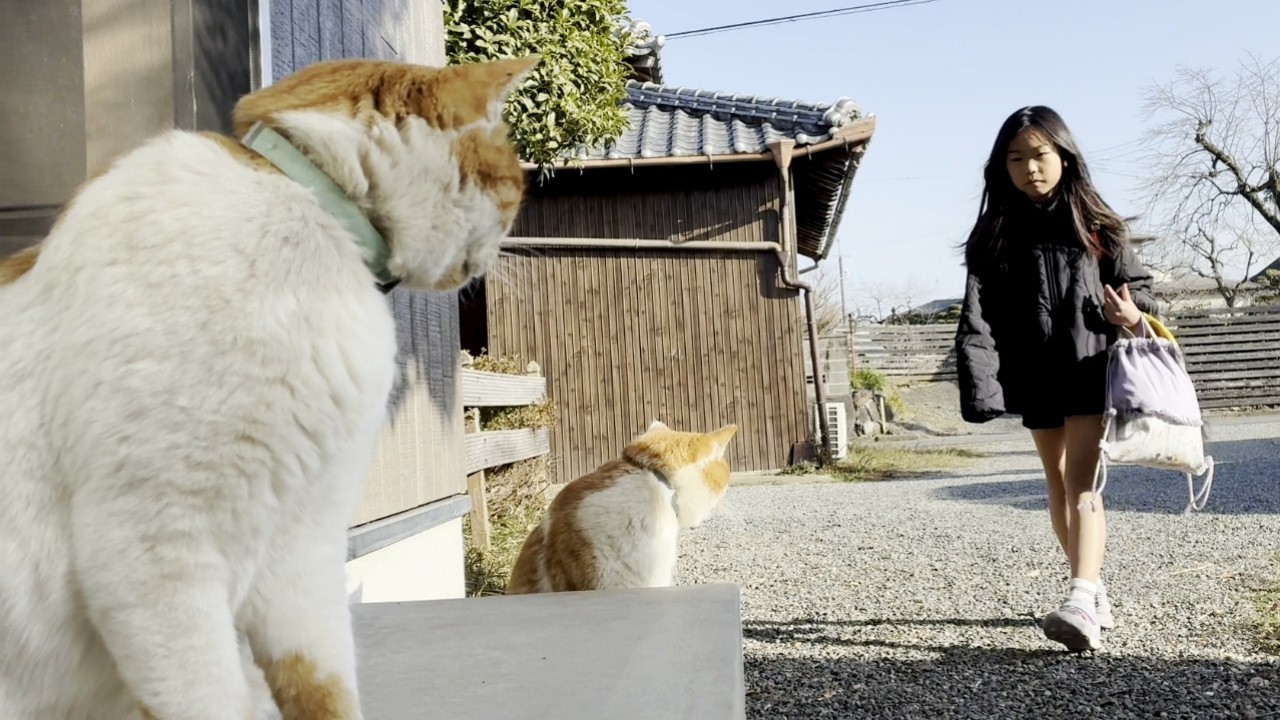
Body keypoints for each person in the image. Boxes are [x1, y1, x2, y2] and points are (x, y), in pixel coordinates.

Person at [955, 105, 1157, 651]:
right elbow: (976, 317)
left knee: (1081, 483)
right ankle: (1090, 587)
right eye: (1015, 158)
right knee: (1057, 480)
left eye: (1039, 155)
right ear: (1002, 167)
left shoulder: (1097, 226)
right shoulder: (994, 232)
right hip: (1035, 373)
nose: (1030, 168)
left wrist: (1133, 318)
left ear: (1064, 156)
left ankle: (1082, 595)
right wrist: (982, 380)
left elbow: (1140, 294)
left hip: (1090, 365)